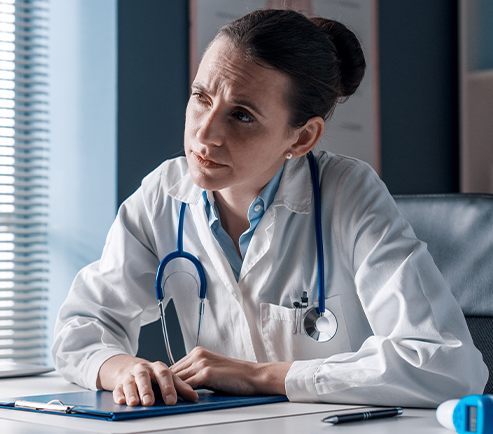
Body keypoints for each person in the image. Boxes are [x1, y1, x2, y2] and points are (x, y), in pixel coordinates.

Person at [52, 9, 487, 409]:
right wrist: (122, 369)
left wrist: (260, 376)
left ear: (300, 139)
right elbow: (81, 328)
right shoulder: (162, 196)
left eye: (241, 115)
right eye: (202, 97)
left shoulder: (347, 192)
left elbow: (447, 367)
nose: (204, 135)